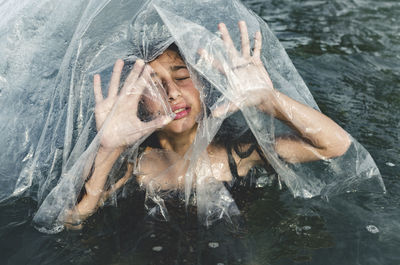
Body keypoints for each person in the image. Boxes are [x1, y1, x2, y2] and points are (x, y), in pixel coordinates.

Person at [65, 21, 350, 228]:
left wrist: (268, 100)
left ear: (204, 85)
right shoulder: (132, 164)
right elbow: (71, 219)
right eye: (153, 85)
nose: (172, 93)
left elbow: (336, 145)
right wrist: (107, 149)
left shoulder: (239, 154)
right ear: (137, 100)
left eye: (181, 76)